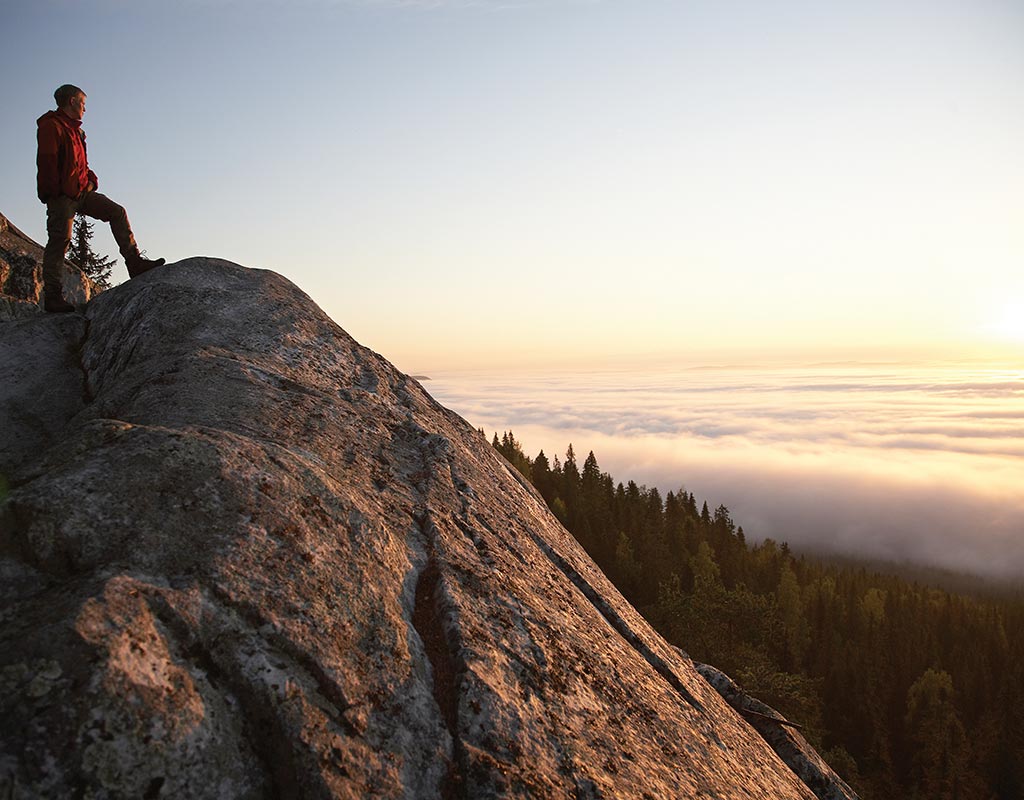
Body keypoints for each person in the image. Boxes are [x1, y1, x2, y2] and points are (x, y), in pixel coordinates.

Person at [36, 84, 164, 313]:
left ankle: (134, 263)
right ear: (72, 102)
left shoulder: (77, 131)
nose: (85, 109)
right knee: (60, 240)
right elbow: (46, 163)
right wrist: (54, 194)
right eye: (83, 103)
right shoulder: (51, 126)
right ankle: (53, 296)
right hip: (62, 196)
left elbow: (82, 165)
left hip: (82, 192)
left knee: (117, 212)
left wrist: (91, 181)